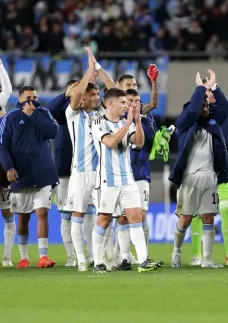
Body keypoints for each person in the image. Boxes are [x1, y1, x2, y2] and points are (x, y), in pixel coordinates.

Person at [91, 88, 159, 273]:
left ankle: (143, 260)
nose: (126, 106)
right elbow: (111, 142)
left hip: (128, 179)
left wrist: (136, 122)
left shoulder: (126, 122)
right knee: (104, 219)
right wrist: (128, 122)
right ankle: (98, 262)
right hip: (108, 180)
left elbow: (139, 142)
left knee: (135, 216)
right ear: (110, 103)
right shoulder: (98, 123)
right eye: (122, 102)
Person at [170, 71, 228, 268]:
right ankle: (177, 252)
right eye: (201, 106)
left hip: (210, 178)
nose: (205, 109)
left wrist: (213, 88)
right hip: (190, 178)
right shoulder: (184, 124)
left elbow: (225, 108)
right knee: (186, 219)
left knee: (208, 217)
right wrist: (200, 89)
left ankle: (207, 259)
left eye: (206, 106)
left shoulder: (213, 124)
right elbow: (192, 109)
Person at [0, 85, 59, 269]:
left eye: (34, 97)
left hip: (42, 173)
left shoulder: (44, 114)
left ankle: (43, 256)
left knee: (42, 212)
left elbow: (53, 132)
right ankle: (24, 257)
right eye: (27, 98)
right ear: (19, 100)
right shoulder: (10, 118)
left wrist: (33, 115)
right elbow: (2, 146)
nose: (31, 101)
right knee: (23, 217)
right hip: (20, 175)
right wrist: (8, 167)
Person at [189, 77, 228, 267]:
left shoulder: (224, 113)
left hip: (221, 169)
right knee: (197, 213)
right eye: (205, 93)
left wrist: (214, 86)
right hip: (198, 171)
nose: (209, 96)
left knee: (227, 209)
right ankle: (197, 255)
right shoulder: (194, 113)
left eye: (211, 92)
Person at [63, 51, 104, 271]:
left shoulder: (101, 116)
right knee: (77, 215)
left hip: (99, 173)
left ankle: (100, 257)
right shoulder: (73, 115)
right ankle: (80, 259)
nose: (97, 97)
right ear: (84, 98)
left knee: (103, 216)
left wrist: (97, 72)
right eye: (93, 94)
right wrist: (89, 69)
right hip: (79, 172)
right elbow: (77, 92)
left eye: (98, 94)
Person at [114, 84, 161, 271]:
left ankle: (143, 256)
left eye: (137, 102)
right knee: (123, 217)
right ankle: (124, 258)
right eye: (130, 101)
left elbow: (148, 141)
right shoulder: (118, 121)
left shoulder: (147, 121)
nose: (134, 105)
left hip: (141, 174)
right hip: (124, 176)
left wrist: (139, 121)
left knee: (140, 216)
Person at [45, 79, 79, 267]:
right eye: (72, 89)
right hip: (65, 169)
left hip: (87, 169)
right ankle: (70, 256)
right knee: (66, 213)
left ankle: (90, 255)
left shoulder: (86, 109)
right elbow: (46, 112)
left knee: (90, 213)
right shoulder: (61, 112)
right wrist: (64, 96)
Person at [0, 59, 14, 267]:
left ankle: (8, 257)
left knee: (7, 211)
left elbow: (8, 90)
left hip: (2, 168)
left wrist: (1, 66)